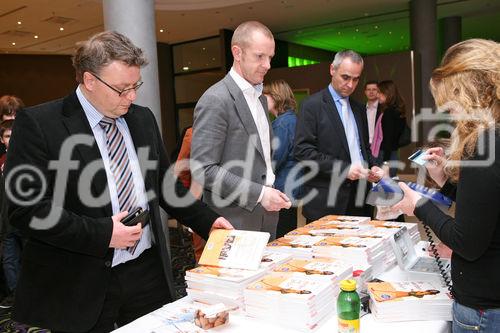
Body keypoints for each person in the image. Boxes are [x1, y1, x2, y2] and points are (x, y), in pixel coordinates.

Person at [4, 31, 232, 333]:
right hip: (79, 280)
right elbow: (26, 211)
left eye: (135, 85)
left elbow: (165, 186)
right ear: (89, 81)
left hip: (145, 271)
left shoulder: (141, 119)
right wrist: (103, 233)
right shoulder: (40, 125)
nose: (133, 96)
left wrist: (209, 220)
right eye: (122, 89)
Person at [393, 39, 500, 333]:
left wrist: (418, 204)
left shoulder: (485, 145)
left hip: (484, 310)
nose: (449, 115)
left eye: (450, 105)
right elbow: (484, 205)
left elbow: (467, 241)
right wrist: (443, 181)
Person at [191, 21, 291, 240]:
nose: (267, 65)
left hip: (266, 216)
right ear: (237, 52)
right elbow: (203, 169)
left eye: (270, 57)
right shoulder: (216, 99)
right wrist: (260, 194)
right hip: (232, 222)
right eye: (259, 56)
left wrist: (268, 192)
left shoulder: (261, 101)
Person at [294, 50, 383, 222]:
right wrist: (344, 170)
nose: (350, 84)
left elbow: (363, 148)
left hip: (360, 199)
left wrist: (374, 166)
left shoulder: (358, 108)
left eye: (356, 79)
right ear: (332, 70)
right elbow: (302, 151)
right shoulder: (312, 106)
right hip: (326, 200)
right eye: (345, 77)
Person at [263, 79, 301, 238]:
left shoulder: (282, 124)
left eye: (265, 96)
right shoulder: (293, 119)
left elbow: (274, 160)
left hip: (283, 188)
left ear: (276, 96)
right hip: (294, 186)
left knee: (280, 238)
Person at [0, 119, 23, 311]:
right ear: (2, 140)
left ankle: (33, 294)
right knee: (9, 259)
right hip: (7, 220)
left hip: (26, 219)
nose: (11, 139)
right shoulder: (1, 162)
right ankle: (15, 295)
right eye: (7, 136)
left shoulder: (29, 157)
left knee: (31, 257)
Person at [377, 80, 408, 177]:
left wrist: (385, 162)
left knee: (383, 187)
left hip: (386, 154)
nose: (377, 95)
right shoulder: (399, 110)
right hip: (393, 152)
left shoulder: (389, 112)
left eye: (379, 92)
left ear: (387, 94)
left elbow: (388, 139)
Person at [363, 81, 381, 146]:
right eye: (368, 90)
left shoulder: (383, 109)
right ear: (365, 92)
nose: (371, 92)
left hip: (380, 147)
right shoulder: (361, 109)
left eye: (374, 89)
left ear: (379, 91)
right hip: (366, 146)